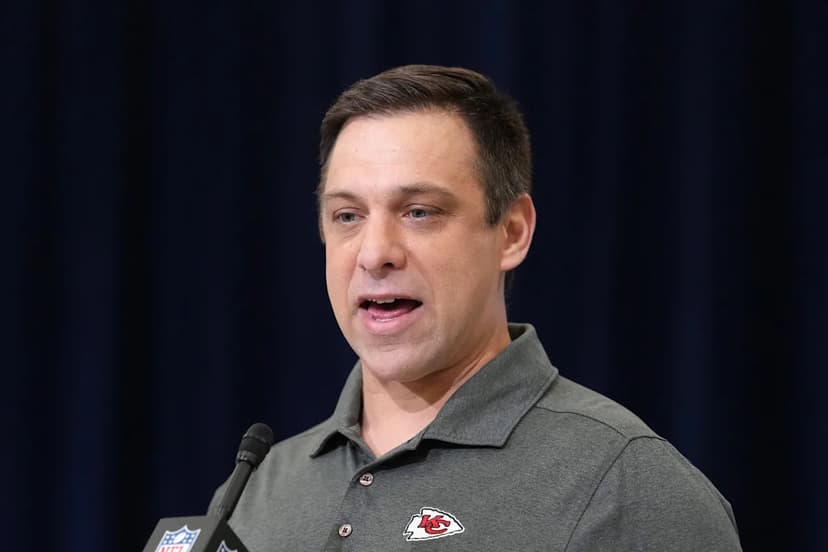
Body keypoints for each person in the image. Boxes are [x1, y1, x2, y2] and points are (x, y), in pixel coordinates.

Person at [211, 65, 742, 551]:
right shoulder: (258, 490)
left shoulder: (627, 486)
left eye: (419, 212)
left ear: (512, 232)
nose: (374, 253)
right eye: (348, 216)